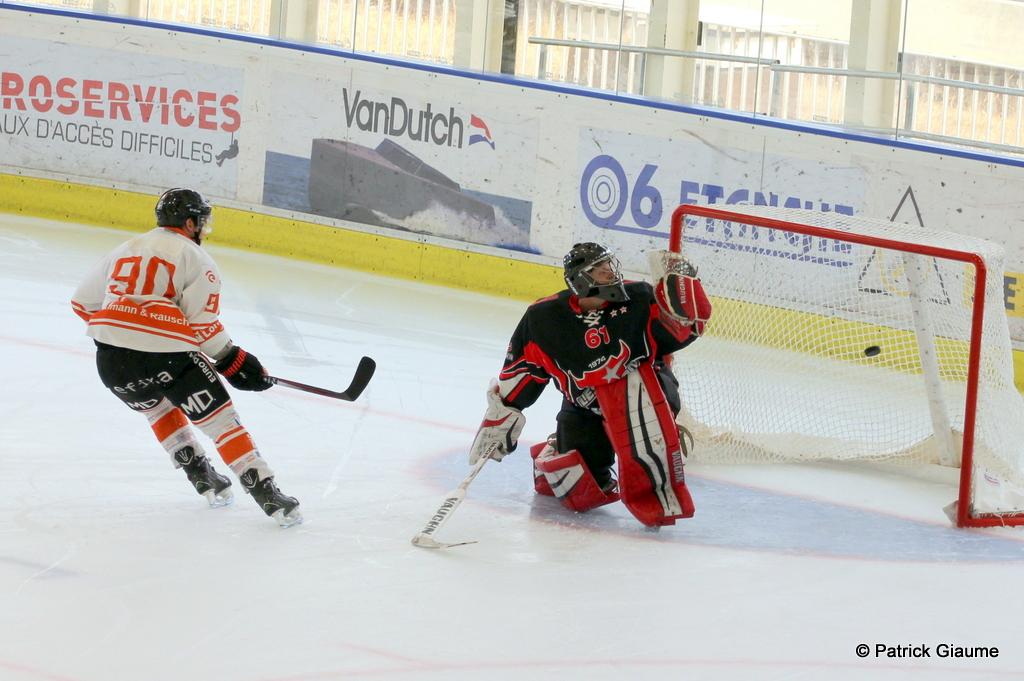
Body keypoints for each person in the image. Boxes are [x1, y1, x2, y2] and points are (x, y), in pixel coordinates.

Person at [70, 188, 302, 528]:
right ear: (190, 223)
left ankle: (201, 474)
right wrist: (237, 362)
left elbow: (81, 302)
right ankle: (266, 492)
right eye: (202, 221)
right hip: (166, 358)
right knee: (222, 423)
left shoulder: (126, 248)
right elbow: (202, 327)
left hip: (111, 361)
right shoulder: (196, 258)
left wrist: (123, 334)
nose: (204, 228)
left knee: (158, 409)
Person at [468, 242, 711, 527]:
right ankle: (560, 445)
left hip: (643, 394)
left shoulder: (638, 299)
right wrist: (501, 418)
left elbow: (684, 331)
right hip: (584, 405)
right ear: (580, 280)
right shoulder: (544, 319)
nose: (611, 272)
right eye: (600, 269)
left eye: (610, 265)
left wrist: (684, 296)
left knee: (641, 416)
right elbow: (522, 372)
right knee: (578, 493)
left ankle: (658, 444)